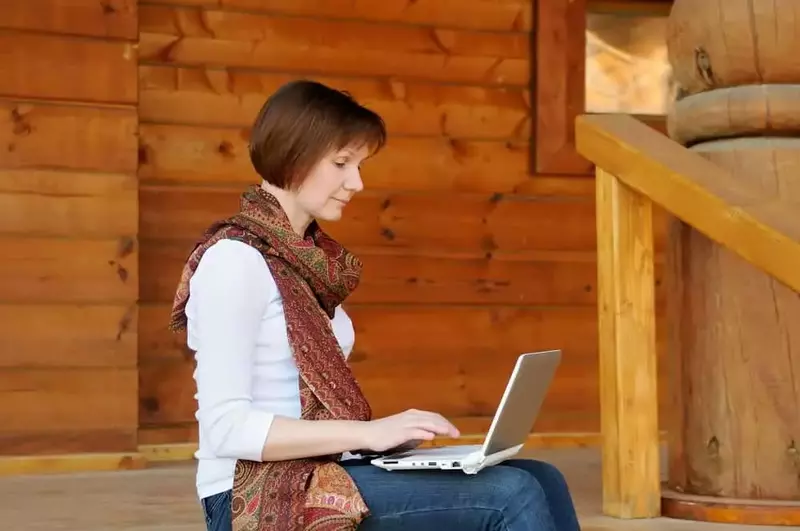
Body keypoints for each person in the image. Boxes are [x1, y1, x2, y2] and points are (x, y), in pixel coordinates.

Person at [168, 80, 581, 531]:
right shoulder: (234, 261)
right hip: (251, 492)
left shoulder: (308, 266)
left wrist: (386, 443)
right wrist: (368, 432)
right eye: (342, 163)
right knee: (510, 494)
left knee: (541, 476)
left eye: (359, 165)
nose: (357, 183)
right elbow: (227, 428)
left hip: (321, 468)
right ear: (293, 154)